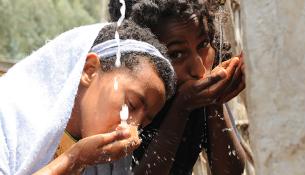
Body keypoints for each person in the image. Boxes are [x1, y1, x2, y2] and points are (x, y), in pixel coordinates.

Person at [0, 20, 176, 175]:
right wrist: (74, 159)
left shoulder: (107, 162)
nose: (131, 129)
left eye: (143, 124)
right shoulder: (7, 114)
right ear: (89, 70)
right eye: (131, 105)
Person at [108, 0, 247, 175]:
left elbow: (230, 171)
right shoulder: (129, 105)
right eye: (176, 54)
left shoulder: (196, 91)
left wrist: (214, 100)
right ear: (143, 56)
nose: (199, 69)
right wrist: (181, 107)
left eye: (203, 45)